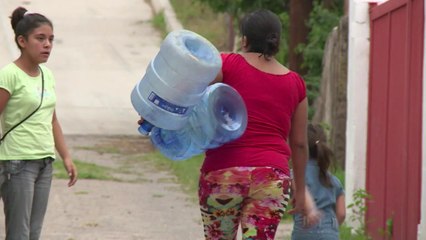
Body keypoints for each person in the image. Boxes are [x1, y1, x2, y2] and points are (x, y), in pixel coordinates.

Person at [198, 9, 309, 240]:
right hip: (272, 177)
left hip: (223, 172)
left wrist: (158, 119)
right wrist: (301, 188)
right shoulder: (295, 83)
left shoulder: (226, 63)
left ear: (244, 40)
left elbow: (191, 95)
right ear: (277, 40)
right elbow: (299, 143)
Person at [0, 6, 78, 239]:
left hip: (44, 161)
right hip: (17, 162)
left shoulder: (47, 75)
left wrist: (66, 156)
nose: (47, 45)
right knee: (18, 233)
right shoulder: (9, 75)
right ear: (22, 41)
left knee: (34, 233)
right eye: (40, 38)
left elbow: (52, 119)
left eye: (51, 39)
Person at [291, 123, 346, 240]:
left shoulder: (296, 175)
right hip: (329, 231)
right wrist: (330, 229)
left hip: (304, 228)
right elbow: (341, 213)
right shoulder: (334, 181)